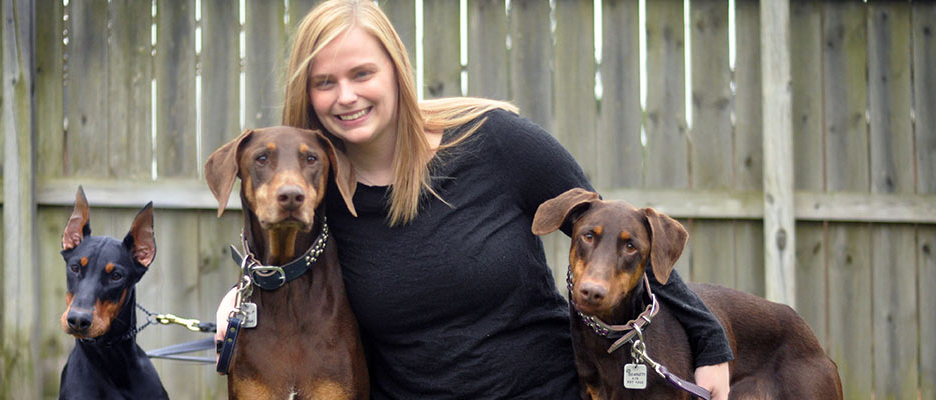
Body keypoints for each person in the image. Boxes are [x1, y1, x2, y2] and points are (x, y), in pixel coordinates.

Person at [215, 0, 733, 398]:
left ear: (396, 70)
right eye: (325, 82)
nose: (345, 96)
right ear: (308, 94)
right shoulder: (317, 189)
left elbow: (623, 238)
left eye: (362, 74)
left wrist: (708, 341)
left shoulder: (497, 142)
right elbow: (281, 264)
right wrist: (237, 298)